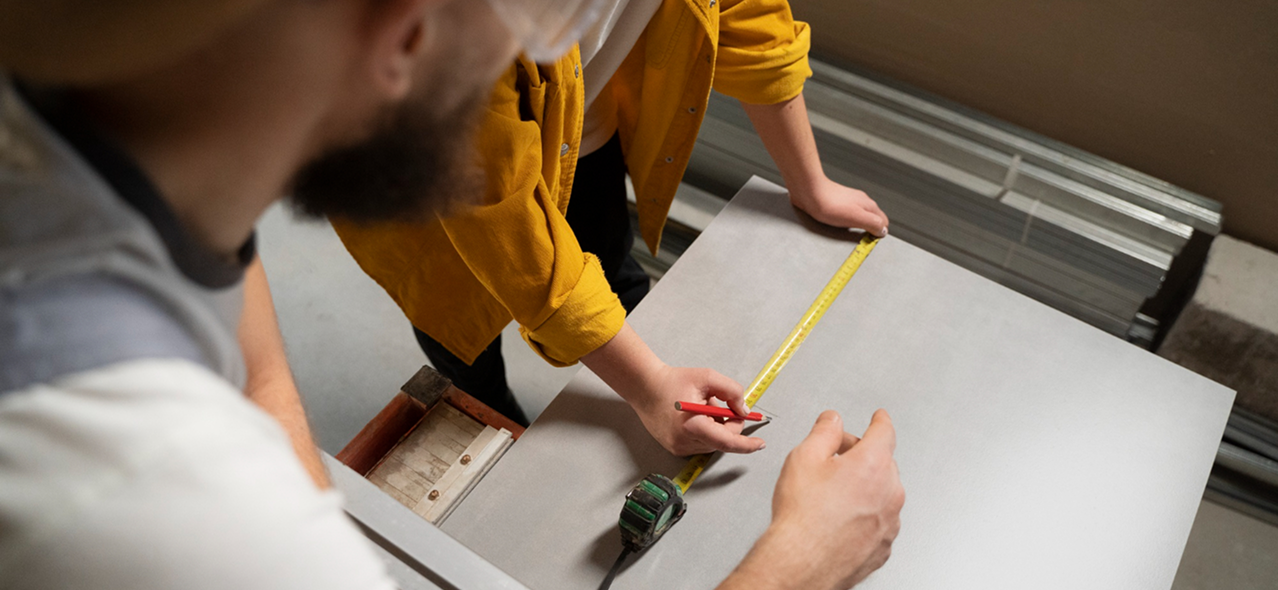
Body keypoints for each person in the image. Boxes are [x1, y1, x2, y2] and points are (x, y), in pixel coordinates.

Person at [0, 1, 903, 589]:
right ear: (405, 33)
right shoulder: (158, 502)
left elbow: (240, 310)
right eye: (548, 27)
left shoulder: (119, 141)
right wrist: (803, 560)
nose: (557, 67)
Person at [330, 0, 892, 465]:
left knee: (609, 258)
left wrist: (809, 181)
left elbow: (745, 13)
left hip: (577, 125)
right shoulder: (450, 20)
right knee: (462, 327)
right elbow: (498, 212)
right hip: (419, 185)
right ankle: (492, 420)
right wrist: (648, 386)